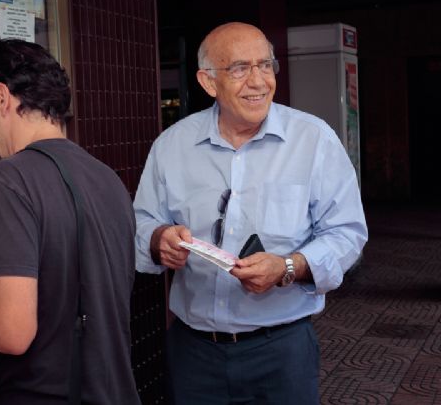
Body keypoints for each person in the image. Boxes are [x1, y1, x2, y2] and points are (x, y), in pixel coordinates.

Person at [134, 22, 368, 404]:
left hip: (281, 351)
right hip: (194, 353)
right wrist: (158, 239)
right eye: (241, 68)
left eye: (265, 65)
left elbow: (347, 233)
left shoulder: (313, 139)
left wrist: (289, 266)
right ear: (208, 82)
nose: (258, 81)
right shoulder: (172, 145)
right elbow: (141, 222)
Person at [0, 39, 140, 405]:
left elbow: (10, 332)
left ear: (1, 98)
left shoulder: (9, 178)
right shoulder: (106, 177)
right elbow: (73, 282)